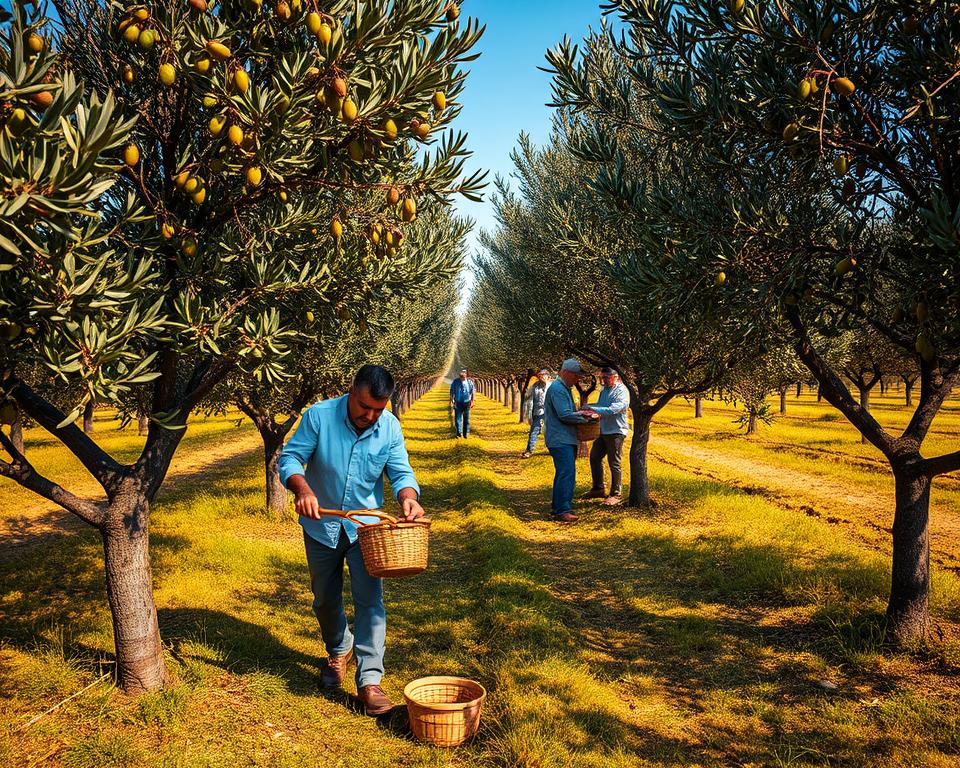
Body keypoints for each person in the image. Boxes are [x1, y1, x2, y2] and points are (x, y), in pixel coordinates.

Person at [279, 365, 425, 716]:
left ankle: (370, 680)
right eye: (364, 407)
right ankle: (337, 648)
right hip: (321, 525)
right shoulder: (319, 416)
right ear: (351, 391)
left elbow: (400, 470)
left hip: (366, 529)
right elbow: (291, 457)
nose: (370, 415)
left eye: (378, 408)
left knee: (370, 601)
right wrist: (303, 489)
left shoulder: (388, 426)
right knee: (324, 600)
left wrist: (408, 495)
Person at [543, 358, 599, 523]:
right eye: (576, 376)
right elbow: (565, 414)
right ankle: (563, 510)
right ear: (566, 373)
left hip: (563, 438)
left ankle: (557, 507)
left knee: (563, 473)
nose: (578, 380)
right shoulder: (558, 389)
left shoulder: (564, 388)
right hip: (561, 439)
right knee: (567, 473)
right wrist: (585, 418)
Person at [582, 366, 630, 505]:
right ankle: (598, 488)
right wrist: (588, 407)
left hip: (616, 431)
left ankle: (616, 494)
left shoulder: (621, 391)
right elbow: (601, 405)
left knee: (614, 462)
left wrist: (593, 408)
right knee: (595, 457)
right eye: (602, 378)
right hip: (604, 430)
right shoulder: (604, 391)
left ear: (616, 377)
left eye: (606, 377)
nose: (604, 380)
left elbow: (616, 408)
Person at [521, 368, 550, 458]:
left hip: (550, 412)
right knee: (534, 431)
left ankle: (552, 449)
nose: (541, 377)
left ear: (548, 376)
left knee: (550, 431)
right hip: (538, 412)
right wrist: (528, 414)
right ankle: (529, 450)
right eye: (540, 376)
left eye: (543, 375)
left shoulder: (552, 386)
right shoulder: (535, 386)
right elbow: (528, 399)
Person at [449, 368, 475, 438]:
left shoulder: (470, 382)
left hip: (467, 402)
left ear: (466, 376)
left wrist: (472, 401)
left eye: (463, 377)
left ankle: (466, 433)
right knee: (458, 419)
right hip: (458, 402)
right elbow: (452, 390)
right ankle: (459, 433)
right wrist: (452, 400)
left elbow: (472, 392)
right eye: (461, 377)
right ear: (459, 376)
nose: (462, 379)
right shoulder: (455, 382)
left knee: (467, 419)